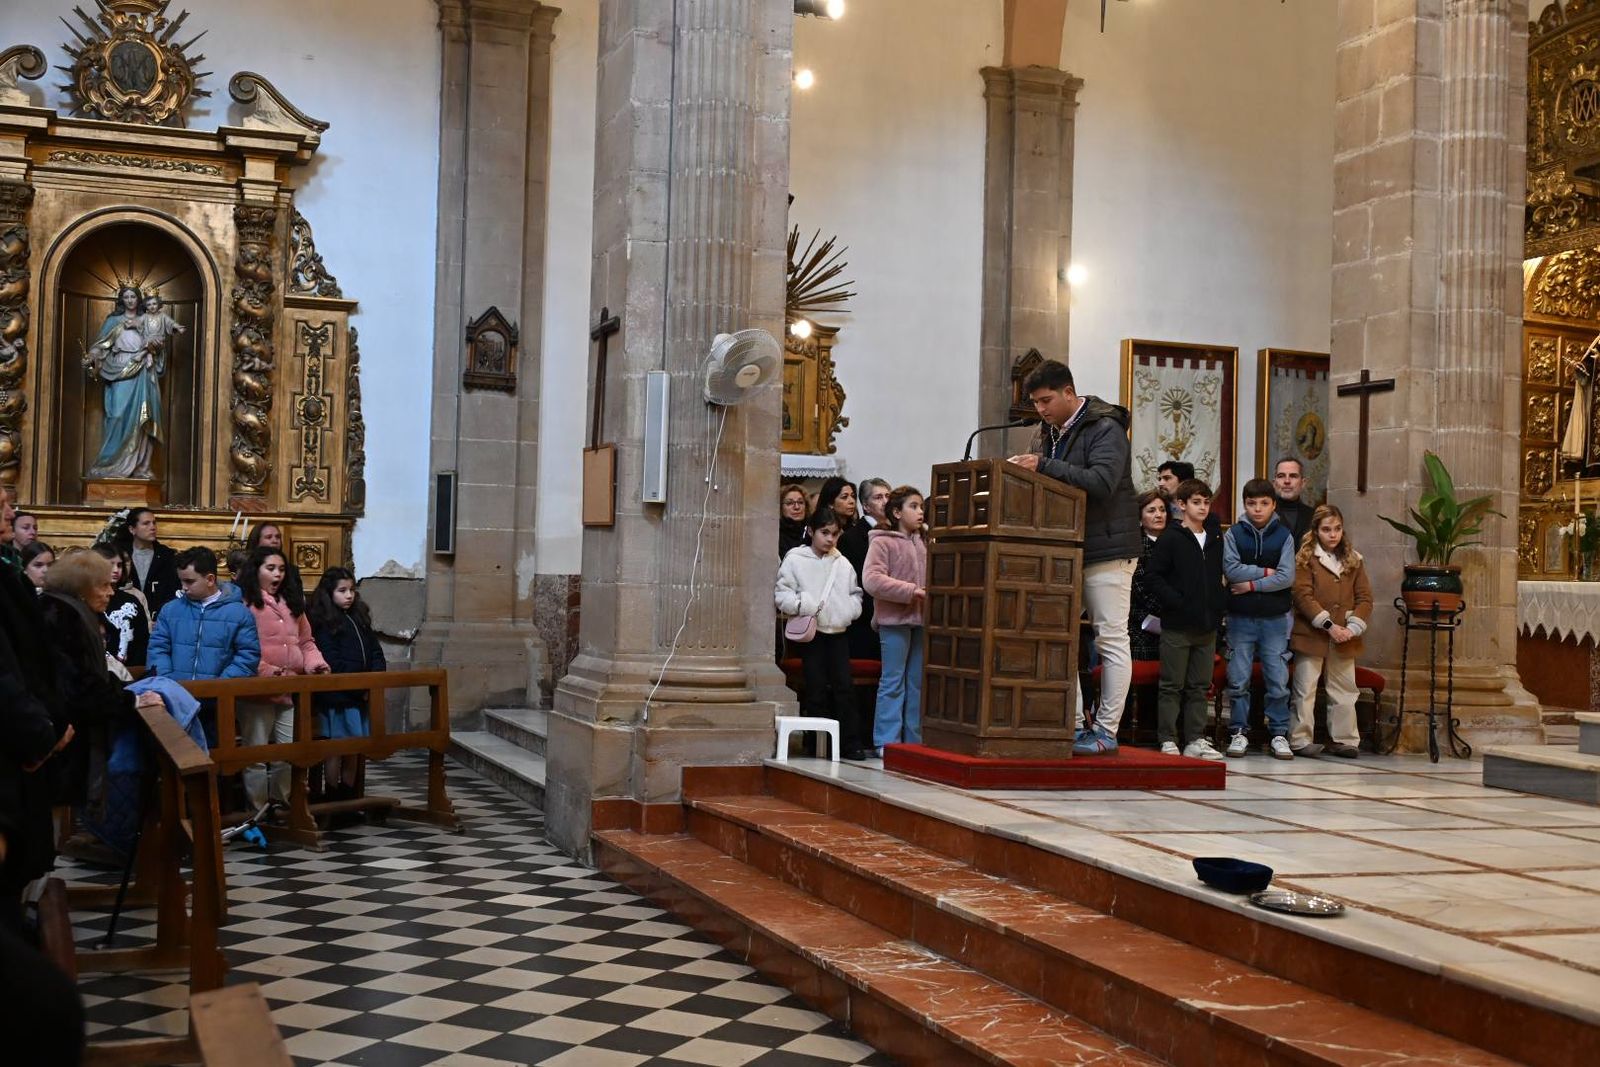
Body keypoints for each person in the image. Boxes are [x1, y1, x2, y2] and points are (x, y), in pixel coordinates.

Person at [1009, 359, 1140, 752]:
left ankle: (1107, 731)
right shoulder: (1048, 434)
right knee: (1059, 637)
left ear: (1070, 392)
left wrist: (1043, 465)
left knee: (1111, 638)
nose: (1041, 410)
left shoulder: (1105, 427)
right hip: (1064, 550)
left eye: (1046, 400)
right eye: (1035, 403)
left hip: (1108, 549)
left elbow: (1101, 483)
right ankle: (1071, 721)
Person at [40, 551, 163, 866]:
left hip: (60, 728)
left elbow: (91, 677)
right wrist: (132, 700)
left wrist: (125, 693)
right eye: (103, 586)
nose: (111, 592)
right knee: (43, 825)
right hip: (56, 732)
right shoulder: (65, 617)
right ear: (81, 587)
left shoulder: (66, 610)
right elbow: (81, 688)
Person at [237, 546, 329, 811]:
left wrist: (316, 664)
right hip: (258, 691)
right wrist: (266, 670)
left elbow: (306, 642)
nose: (277, 574)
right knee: (256, 754)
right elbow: (241, 647)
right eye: (270, 568)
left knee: (285, 753)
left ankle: (281, 804)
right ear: (256, 571)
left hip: (288, 689)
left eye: (281, 569)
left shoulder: (292, 604)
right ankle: (257, 809)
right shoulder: (245, 604)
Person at [1143, 478, 1225, 761]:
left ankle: (1195, 738)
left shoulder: (1214, 537)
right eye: (1196, 502)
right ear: (1181, 504)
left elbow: (1216, 577)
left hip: (1206, 623)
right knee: (1172, 684)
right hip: (1177, 623)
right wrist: (1176, 600)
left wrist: (1218, 605)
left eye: (1206, 502)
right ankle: (1167, 737)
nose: (1202, 508)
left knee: (1199, 686)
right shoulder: (1171, 537)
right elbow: (1153, 577)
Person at [147, 547, 261, 747]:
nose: (183, 587)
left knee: (214, 756)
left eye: (189, 581)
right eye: (181, 581)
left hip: (216, 701)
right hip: (175, 696)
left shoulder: (238, 613)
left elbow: (247, 655)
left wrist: (220, 684)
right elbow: (158, 648)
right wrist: (168, 682)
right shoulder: (171, 609)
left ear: (210, 579)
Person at [775, 510, 865, 759]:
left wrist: (848, 612)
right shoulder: (795, 559)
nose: (830, 539)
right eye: (825, 533)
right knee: (815, 688)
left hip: (837, 631)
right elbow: (782, 594)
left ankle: (850, 742)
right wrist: (804, 604)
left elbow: (855, 593)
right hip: (812, 633)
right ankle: (816, 743)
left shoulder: (842, 562)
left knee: (844, 687)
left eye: (835, 534)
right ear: (812, 531)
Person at [1290, 505, 1373, 760]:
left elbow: (1365, 598)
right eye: (1326, 530)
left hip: (1345, 635)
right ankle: (1300, 738)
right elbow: (1302, 595)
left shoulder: (1353, 560)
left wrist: (1353, 626)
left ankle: (1344, 738)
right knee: (1306, 687)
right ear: (1316, 531)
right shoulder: (1306, 559)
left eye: (1337, 529)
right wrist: (1328, 625)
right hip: (1314, 632)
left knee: (1345, 688)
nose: (1333, 535)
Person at [1222, 479, 1297, 760]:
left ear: (1273, 505)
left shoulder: (1284, 535)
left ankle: (1278, 733)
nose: (1257, 509)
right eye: (1252, 503)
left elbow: (1286, 577)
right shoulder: (1234, 534)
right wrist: (1266, 573)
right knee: (1238, 678)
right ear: (1244, 504)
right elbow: (1231, 569)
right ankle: (1238, 731)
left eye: (1264, 503)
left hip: (1275, 619)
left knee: (1277, 679)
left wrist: (1251, 584)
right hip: (1240, 618)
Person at [309, 568, 386, 800]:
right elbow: (332, 661)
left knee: (354, 749)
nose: (349, 595)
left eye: (352, 590)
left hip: (359, 697)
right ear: (329, 593)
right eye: (342, 591)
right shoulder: (324, 622)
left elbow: (375, 652)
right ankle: (332, 795)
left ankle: (348, 794)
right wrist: (358, 688)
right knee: (336, 749)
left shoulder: (359, 617)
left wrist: (373, 681)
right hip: (338, 698)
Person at [863, 485, 928, 753]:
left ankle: (914, 740)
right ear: (897, 512)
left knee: (916, 683)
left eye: (921, 506)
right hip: (894, 620)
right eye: (914, 506)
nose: (920, 512)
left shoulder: (924, 542)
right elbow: (872, 580)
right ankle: (887, 740)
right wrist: (910, 591)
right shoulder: (882, 541)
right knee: (892, 681)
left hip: (921, 621)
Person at [83, 286, 166, 480]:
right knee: (117, 416)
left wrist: (153, 345)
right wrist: (92, 358)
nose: (130, 300)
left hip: (143, 374)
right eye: (126, 297)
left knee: (144, 417)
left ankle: (140, 467)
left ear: (139, 299)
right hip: (118, 370)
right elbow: (100, 346)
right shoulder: (113, 321)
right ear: (122, 300)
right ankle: (110, 464)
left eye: (133, 296)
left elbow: (159, 345)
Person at [817, 477, 879, 661]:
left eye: (852, 496)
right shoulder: (820, 531)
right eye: (844, 497)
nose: (851, 501)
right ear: (830, 503)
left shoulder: (859, 531)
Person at [91, 543, 149, 669]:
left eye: (119, 565)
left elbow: (142, 640)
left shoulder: (131, 600)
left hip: (130, 670)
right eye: (110, 564)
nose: (116, 570)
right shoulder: (85, 599)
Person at [1128, 490, 1167, 662]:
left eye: (1162, 510)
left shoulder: (1174, 543)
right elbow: (1140, 590)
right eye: (1151, 511)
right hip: (1141, 620)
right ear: (1139, 517)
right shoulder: (1135, 546)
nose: (1159, 515)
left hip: (1174, 618)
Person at [123, 508, 180, 614]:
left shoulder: (166, 555)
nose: (152, 527)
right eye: (146, 523)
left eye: (154, 523)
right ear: (132, 529)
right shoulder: (122, 554)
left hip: (159, 616)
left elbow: (173, 590)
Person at [246, 522, 305, 607]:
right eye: (269, 537)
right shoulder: (246, 566)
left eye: (278, 537)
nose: (275, 541)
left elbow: (297, 599)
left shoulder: (291, 569)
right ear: (257, 541)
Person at [1273, 457, 1314, 551]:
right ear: (1274, 483)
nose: (1287, 481)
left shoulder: (1314, 516)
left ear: (1303, 483)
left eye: (1293, 476)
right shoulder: (1262, 515)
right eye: (1281, 476)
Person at [779, 483, 810, 560]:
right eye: (789, 503)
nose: (796, 507)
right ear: (780, 507)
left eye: (800, 502)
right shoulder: (776, 533)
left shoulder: (812, 530)